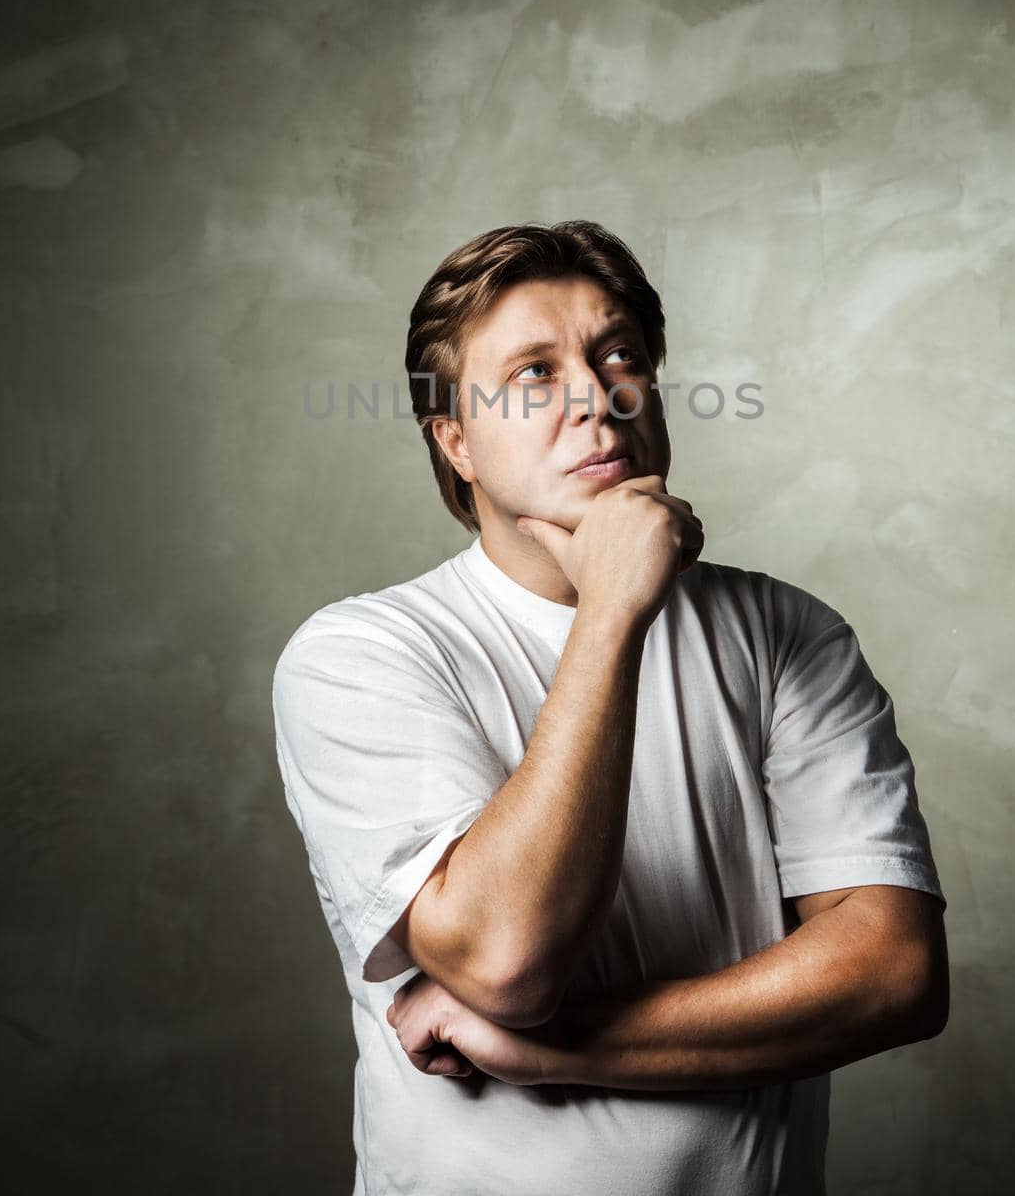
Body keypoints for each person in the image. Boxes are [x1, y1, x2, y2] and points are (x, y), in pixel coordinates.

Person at [272, 219, 949, 1196]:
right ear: (454, 438)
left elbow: (893, 974)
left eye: (616, 354)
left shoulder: (787, 634)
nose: (594, 396)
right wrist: (613, 608)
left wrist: (554, 1050)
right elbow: (505, 961)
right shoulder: (358, 657)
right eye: (533, 374)